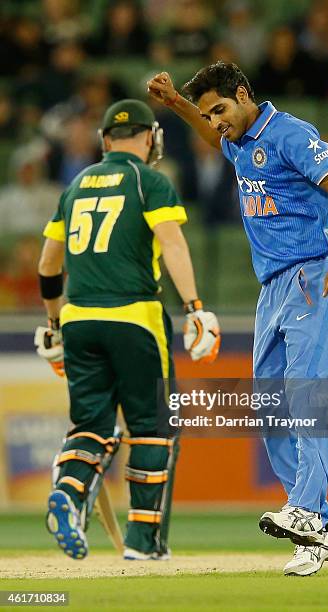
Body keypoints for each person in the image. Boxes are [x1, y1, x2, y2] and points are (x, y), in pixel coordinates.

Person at [147, 62, 328, 576]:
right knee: (268, 405)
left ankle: (305, 509)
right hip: (271, 287)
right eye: (209, 114)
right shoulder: (235, 137)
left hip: (313, 274)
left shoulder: (289, 133)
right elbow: (210, 131)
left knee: (307, 392)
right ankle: (317, 529)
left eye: (220, 110)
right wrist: (178, 103)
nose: (215, 122)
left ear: (243, 94)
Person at [34, 99, 220, 561]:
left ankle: (69, 494)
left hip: (79, 318)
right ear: (149, 137)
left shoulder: (74, 185)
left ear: (103, 140)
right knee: (152, 428)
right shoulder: (150, 180)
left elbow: (47, 265)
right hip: (134, 315)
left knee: (91, 426)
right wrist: (195, 306)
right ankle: (143, 541)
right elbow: (172, 243)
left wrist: (55, 324)